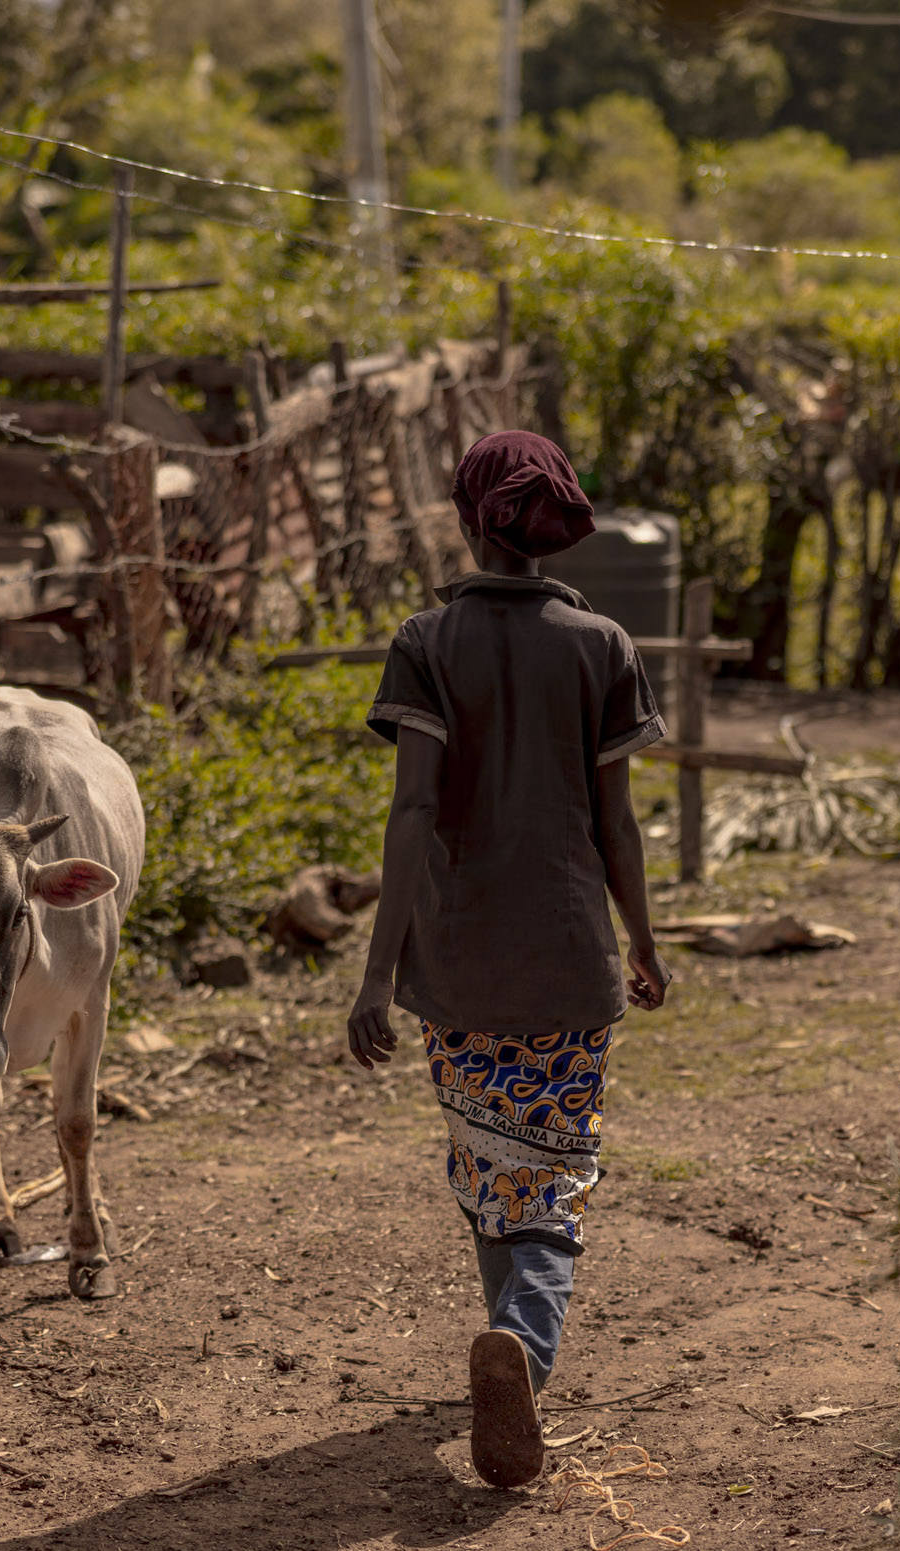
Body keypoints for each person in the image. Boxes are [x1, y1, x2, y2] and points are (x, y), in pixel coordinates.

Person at [348, 428, 672, 1490]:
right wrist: (644, 939)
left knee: (491, 1163)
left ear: (465, 518)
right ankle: (522, 1349)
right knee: (552, 1172)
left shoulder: (426, 642)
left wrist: (376, 974)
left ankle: (509, 1348)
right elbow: (618, 828)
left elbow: (407, 816)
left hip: (458, 965)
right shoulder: (602, 645)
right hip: (571, 960)